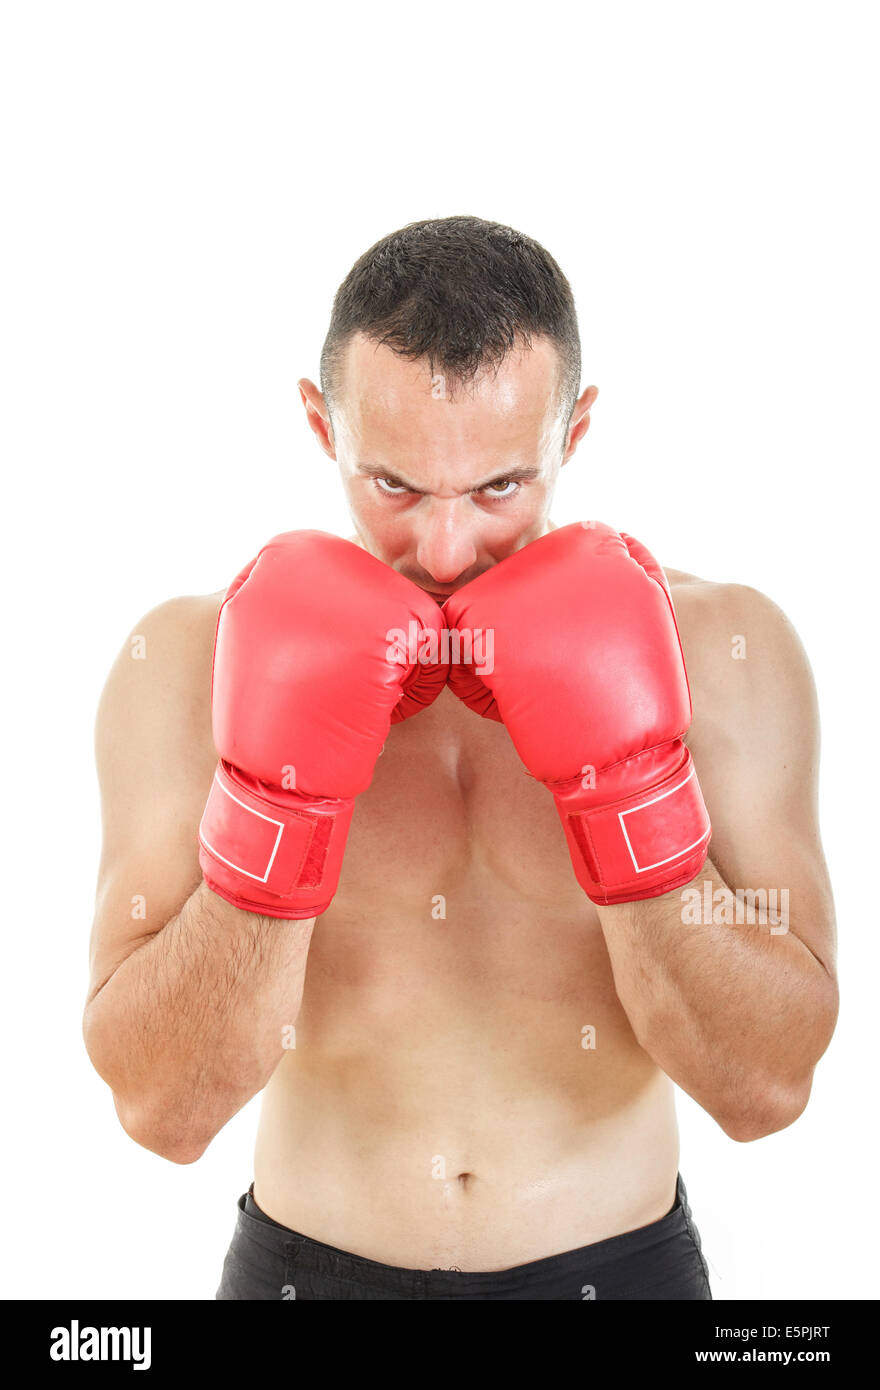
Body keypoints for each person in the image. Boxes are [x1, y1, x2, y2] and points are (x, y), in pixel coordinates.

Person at [84, 216, 838, 1300]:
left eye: (498, 489)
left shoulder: (722, 653)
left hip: (616, 1271)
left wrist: (628, 793)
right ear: (319, 421)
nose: (444, 551)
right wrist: (275, 808)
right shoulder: (189, 664)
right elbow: (162, 1110)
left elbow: (766, 1089)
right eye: (393, 486)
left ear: (572, 430)